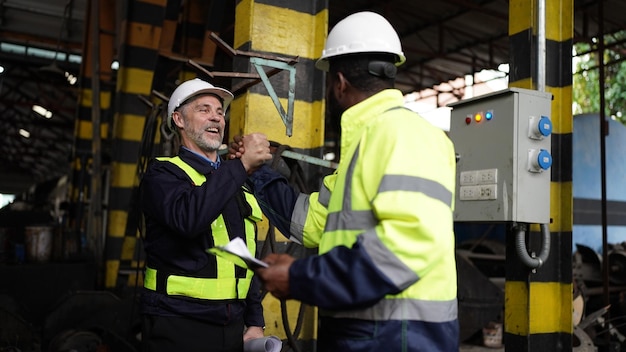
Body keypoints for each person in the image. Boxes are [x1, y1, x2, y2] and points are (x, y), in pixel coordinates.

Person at [230, 11, 459, 352]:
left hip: (402, 337)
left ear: (339, 82)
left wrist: (301, 277)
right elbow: (310, 222)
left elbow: (405, 248)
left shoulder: (403, 134)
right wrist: (256, 172)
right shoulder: (366, 147)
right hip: (371, 334)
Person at [139, 78, 272, 352]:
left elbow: (245, 256)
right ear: (179, 119)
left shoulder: (236, 181)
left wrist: (255, 321)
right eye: (204, 109)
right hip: (178, 323)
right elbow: (188, 219)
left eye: (220, 112)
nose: (216, 118)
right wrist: (241, 165)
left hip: (232, 327)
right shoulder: (163, 174)